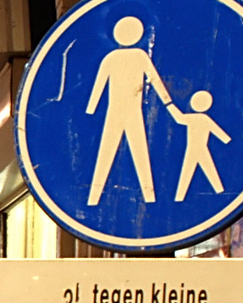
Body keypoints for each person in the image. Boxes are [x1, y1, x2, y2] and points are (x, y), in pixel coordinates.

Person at [84, 14, 176, 205]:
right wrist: (169, 104)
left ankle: (94, 198)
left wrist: (91, 111)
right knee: (137, 150)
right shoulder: (139, 56)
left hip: (118, 111)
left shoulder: (112, 58)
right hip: (129, 111)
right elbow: (157, 83)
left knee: (109, 152)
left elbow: (98, 87)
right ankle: (149, 197)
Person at [173, 89, 230, 201]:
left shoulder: (194, 118)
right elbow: (220, 134)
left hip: (195, 149)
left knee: (188, 172)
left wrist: (169, 105)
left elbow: (178, 117)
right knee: (207, 170)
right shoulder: (204, 119)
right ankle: (219, 191)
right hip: (199, 148)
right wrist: (226, 140)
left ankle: (180, 197)